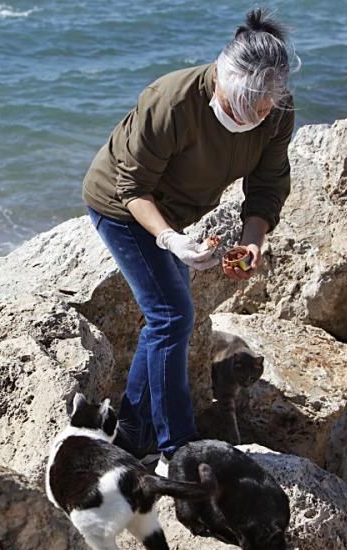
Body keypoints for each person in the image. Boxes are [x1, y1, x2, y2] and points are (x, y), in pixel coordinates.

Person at [82, 9, 296, 475]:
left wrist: (254, 241)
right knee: (173, 315)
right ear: (221, 76)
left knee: (166, 321)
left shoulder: (274, 113)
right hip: (122, 207)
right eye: (242, 108)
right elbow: (131, 187)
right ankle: (179, 451)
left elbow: (267, 186)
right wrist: (170, 241)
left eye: (261, 111)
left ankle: (132, 434)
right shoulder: (172, 101)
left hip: (176, 215)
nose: (251, 118)